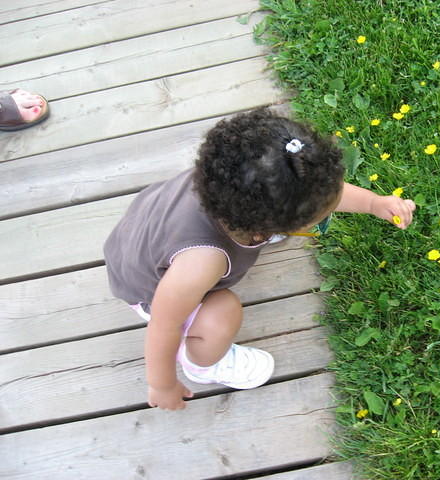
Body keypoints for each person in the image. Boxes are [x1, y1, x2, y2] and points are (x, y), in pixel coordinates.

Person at [103, 108, 415, 410]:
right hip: (148, 287)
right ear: (258, 230)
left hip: (143, 225)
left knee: (299, 198)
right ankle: (203, 364)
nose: (328, 211)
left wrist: (374, 203)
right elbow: (163, 324)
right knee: (223, 313)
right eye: (319, 216)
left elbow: (317, 192)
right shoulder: (202, 262)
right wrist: (162, 385)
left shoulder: (230, 180)